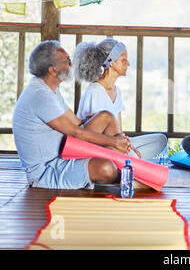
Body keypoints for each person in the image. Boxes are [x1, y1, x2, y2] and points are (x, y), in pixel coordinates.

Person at [13, 40, 132, 190]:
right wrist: (113, 142)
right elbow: (76, 132)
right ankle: (131, 176)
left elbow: (78, 123)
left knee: (106, 116)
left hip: (64, 154)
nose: (71, 65)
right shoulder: (39, 96)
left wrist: (113, 142)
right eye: (67, 61)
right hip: (48, 171)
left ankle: (127, 165)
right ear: (52, 70)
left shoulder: (50, 90)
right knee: (106, 168)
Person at [72, 38, 167, 160]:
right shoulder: (94, 92)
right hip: (99, 147)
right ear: (111, 62)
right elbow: (97, 137)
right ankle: (131, 161)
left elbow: (119, 132)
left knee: (160, 140)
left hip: (114, 144)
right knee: (128, 153)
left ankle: (129, 160)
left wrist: (131, 147)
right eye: (123, 60)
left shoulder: (117, 91)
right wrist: (127, 148)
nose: (128, 64)